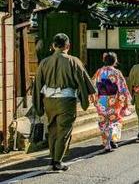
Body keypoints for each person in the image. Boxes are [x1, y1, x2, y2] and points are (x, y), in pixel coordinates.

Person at [33, 33, 96, 171]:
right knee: (64, 130)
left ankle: (53, 158)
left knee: (53, 128)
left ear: (54, 46)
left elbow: (37, 84)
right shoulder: (73, 61)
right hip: (66, 100)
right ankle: (57, 161)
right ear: (68, 46)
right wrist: (88, 95)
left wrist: (38, 104)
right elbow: (83, 80)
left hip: (49, 100)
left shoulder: (44, 62)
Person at [92, 52, 132, 152]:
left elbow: (93, 85)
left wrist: (94, 98)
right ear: (115, 61)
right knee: (114, 120)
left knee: (103, 121)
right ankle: (113, 141)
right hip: (113, 100)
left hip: (102, 99)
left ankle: (106, 143)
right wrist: (125, 100)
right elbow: (122, 88)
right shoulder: (116, 72)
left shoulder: (99, 72)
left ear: (104, 60)